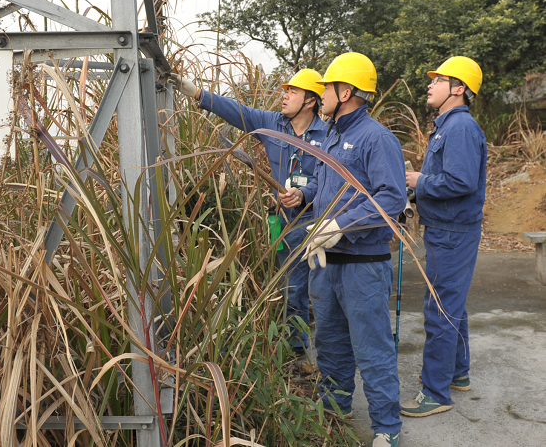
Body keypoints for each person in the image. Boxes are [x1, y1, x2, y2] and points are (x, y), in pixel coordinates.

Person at [282, 52, 406, 447]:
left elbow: (391, 198)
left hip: (363, 265)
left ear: (346, 91)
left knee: (371, 349)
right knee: (331, 345)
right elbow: (325, 186)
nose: (321, 96)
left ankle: (387, 427)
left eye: (327, 89)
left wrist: (340, 225)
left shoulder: (376, 138)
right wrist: (303, 194)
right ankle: (335, 410)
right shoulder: (331, 136)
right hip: (325, 263)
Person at [170, 69, 326, 357]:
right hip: (282, 222)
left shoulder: (327, 135)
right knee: (291, 287)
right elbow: (237, 112)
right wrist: (197, 94)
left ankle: (326, 353)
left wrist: (305, 193)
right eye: (285, 90)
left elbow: (328, 176)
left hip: (316, 222)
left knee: (319, 288)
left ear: (310, 102)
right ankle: (297, 352)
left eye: (293, 92)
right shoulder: (271, 123)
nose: (285, 95)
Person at [401, 56, 487, 418]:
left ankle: (435, 393)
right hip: (447, 230)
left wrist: (420, 182)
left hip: (452, 234)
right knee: (453, 305)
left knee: (441, 311)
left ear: (459, 89)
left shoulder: (460, 129)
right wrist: (421, 188)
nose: (430, 85)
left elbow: (461, 182)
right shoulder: (448, 127)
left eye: (438, 80)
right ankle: (458, 374)